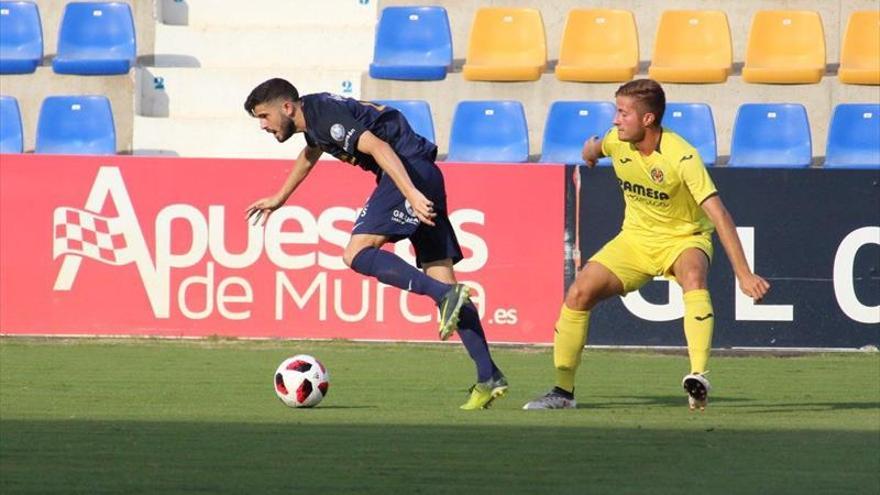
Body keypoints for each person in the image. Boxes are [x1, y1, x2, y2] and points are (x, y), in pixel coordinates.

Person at [243, 78, 507, 409]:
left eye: (264, 117)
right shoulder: (315, 118)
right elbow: (311, 152)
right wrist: (280, 198)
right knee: (441, 275)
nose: (263, 126)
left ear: (287, 107)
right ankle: (488, 376)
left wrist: (410, 193)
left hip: (406, 173)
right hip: (422, 172)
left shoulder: (324, 115)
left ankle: (445, 297)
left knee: (356, 254)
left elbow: (380, 148)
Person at [523, 79, 770, 411]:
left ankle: (698, 376)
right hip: (635, 241)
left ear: (648, 119)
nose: (615, 119)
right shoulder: (617, 141)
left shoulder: (682, 156)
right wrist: (590, 151)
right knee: (578, 293)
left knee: (694, 276)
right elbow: (597, 147)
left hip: (684, 238)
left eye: (623, 113)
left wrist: (744, 273)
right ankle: (562, 392)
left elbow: (719, 213)